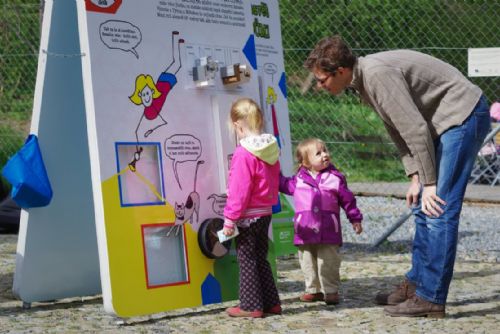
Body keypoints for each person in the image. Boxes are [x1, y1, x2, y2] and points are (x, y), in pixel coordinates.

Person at [304, 35, 490, 318]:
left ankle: (431, 297)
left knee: (439, 208)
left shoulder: (377, 76)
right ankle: (416, 285)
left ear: (340, 71)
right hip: (440, 123)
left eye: (322, 80)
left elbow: (415, 129)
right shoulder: (362, 80)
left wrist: (430, 183)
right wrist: (416, 176)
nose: (319, 86)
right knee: (421, 206)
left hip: (462, 116)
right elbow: (398, 128)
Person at [279, 138, 363, 305]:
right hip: (305, 230)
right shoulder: (297, 180)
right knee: (307, 260)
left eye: (325, 150)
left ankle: (330, 290)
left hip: (329, 229)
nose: (325, 154)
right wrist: (272, 167)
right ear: (305, 162)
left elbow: (348, 200)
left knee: (329, 261)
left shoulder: (336, 178)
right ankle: (313, 290)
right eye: (318, 153)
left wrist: (355, 218)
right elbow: (281, 183)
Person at [222, 98, 282, 318]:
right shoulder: (271, 149)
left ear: (238, 125)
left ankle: (250, 306)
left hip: (247, 216)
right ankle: (271, 303)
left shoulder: (243, 153)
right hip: (265, 212)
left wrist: (230, 219)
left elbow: (240, 189)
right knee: (261, 257)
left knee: (246, 259)